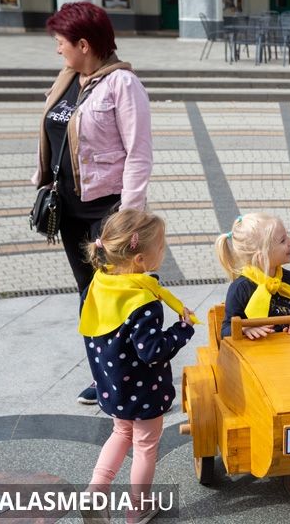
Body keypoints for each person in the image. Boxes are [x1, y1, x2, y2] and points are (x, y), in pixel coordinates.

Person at [32, 1, 153, 405]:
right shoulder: (68, 77)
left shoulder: (123, 85)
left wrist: (130, 216)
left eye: (61, 42)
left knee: (121, 295)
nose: (57, 49)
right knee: (89, 294)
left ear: (84, 44)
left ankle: (137, 376)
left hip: (109, 211)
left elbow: (138, 153)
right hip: (69, 208)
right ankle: (103, 375)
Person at [78, 210, 195, 524]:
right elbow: (152, 352)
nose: (164, 250)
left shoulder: (99, 284)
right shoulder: (143, 301)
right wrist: (181, 331)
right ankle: (138, 508)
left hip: (112, 384)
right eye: (161, 246)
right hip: (143, 391)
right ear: (141, 259)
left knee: (120, 432)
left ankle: (95, 491)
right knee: (144, 446)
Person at [215, 213, 290, 339]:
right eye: (283, 240)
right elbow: (225, 331)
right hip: (254, 350)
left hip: (289, 347)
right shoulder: (241, 288)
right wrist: (244, 328)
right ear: (261, 255)